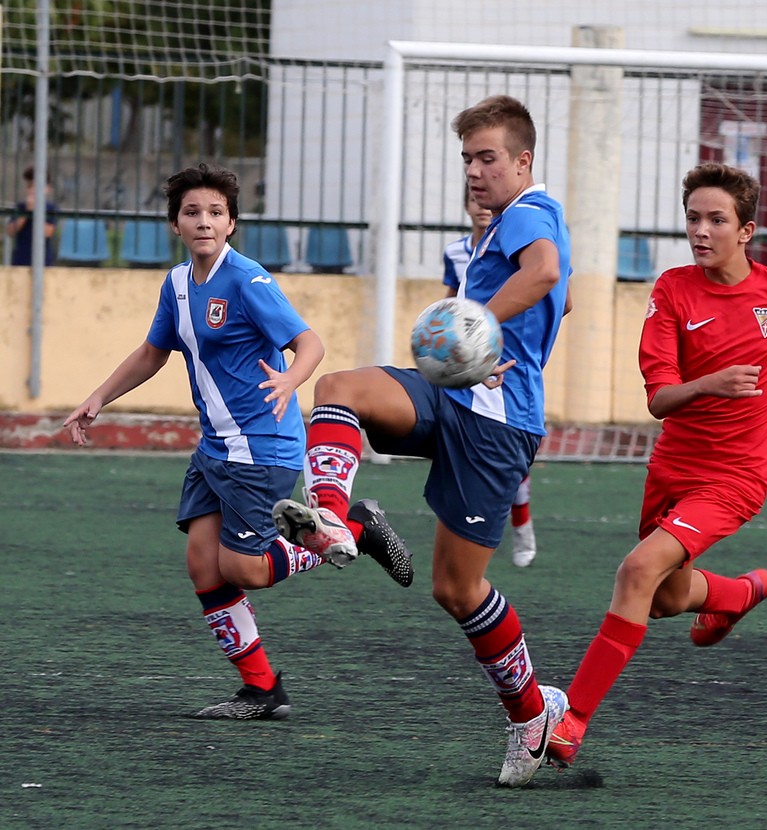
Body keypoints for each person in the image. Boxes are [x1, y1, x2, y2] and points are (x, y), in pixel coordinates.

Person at [273, 95, 572, 787]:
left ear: (523, 161)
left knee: (456, 589)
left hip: (499, 426)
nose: (474, 170)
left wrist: (478, 328)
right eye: (467, 158)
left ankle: (531, 714)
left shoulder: (532, 209)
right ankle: (336, 520)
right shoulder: (497, 226)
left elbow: (547, 273)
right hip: (452, 395)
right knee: (339, 389)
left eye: (487, 157)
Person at [545, 162, 767, 769]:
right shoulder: (673, 289)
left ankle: (570, 720)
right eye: (693, 218)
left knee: (636, 570)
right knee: (666, 597)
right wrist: (711, 384)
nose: (701, 231)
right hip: (674, 466)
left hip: (738, 476)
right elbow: (658, 398)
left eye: (716, 220)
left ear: (746, 230)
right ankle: (736, 593)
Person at [63, 162, 409, 720]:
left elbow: (310, 343)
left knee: (244, 569)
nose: (204, 221)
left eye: (215, 213)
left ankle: (357, 531)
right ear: (175, 224)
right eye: (192, 212)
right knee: (203, 564)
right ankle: (263, 691)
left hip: (261, 445)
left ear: (230, 224)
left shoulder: (248, 279)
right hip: (215, 448)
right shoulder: (176, 284)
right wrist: (100, 396)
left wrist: (291, 380)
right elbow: (154, 351)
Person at [443, 186, 538, 567]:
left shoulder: (522, 245)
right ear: (466, 205)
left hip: (507, 360)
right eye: (473, 200)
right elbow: (451, 299)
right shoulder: (455, 252)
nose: (481, 207)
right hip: (466, 360)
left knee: (513, 457)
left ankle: (522, 523)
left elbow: (554, 296)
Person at [6, 166, 58, 266]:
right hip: (21, 260)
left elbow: (48, 232)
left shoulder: (51, 208)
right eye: (30, 186)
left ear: (47, 189)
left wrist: (36, 212)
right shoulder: (20, 207)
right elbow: (11, 231)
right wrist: (26, 213)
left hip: (44, 261)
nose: (33, 190)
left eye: (37, 186)